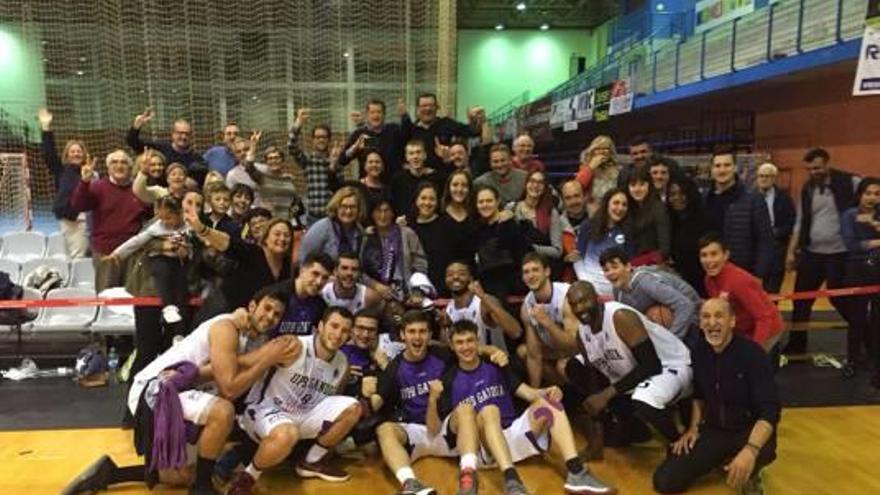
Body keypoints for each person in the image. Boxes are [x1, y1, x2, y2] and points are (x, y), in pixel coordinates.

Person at [63, 288, 296, 495]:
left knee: (182, 476)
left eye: (276, 314)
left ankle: (110, 474)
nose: (270, 317)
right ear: (252, 306)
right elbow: (230, 388)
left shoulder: (254, 340)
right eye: (267, 308)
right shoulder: (227, 327)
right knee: (222, 412)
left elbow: (212, 374)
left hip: (182, 388)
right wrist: (265, 360)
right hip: (156, 388)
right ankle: (202, 489)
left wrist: (262, 358)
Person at [439, 319, 615, 495]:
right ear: (452, 346)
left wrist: (548, 391)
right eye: (459, 343)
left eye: (470, 340)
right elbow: (456, 429)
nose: (465, 347)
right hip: (485, 448)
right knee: (488, 410)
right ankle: (511, 480)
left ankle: (576, 472)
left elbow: (528, 393)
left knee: (550, 403)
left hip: (513, 436)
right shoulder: (448, 380)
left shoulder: (497, 366)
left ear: (478, 341)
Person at [226, 308, 362, 494]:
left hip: (303, 416)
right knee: (287, 434)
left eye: (345, 330)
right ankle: (246, 479)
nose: (338, 334)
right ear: (320, 327)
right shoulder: (292, 345)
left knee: (353, 408)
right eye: (334, 326)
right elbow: (247, 361)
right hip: (265, 411)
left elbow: (331, 401)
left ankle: (312, 461)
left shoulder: (343, 363)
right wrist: (208, 368)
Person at [653, 299, 780, 495]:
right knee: (665, 481)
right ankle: (723, 460)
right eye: (706, 316)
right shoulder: (699, 352)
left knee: (763, 451)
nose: (712, 322)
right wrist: (693, 429)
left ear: (732, 321)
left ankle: (750, 471)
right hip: (715, 431)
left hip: (749, 430)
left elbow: (770, 409)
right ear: (701, 323)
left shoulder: (753, 354)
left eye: (719, 316)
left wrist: (751, 450)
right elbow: (699, 395)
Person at [367, 310, 485, 495]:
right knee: (384, 429)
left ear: (430, 335)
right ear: (402, 335)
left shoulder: (443, 355)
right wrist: (362, 390)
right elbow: (377, 400)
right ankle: (410, 484)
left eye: (422, 331)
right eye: (412, 331)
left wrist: (491, 350)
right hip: (416, 433)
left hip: (446, 429)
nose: (417, 336)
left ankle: (468, 475)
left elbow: (467, 349)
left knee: (466, 409)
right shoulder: (394, 369)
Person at [564, 281, 692, 446]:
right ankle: (629, 424)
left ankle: (677, 441)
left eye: (584, 301)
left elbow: (651, 365)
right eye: (574, 304)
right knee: (574, 366)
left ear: (597, 298)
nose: (579, 308)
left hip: (669, 365)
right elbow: (593, 380)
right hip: (631, 372)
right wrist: (597, 416)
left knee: (643, 399)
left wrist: (606, 395)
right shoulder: (582, 334)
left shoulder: (620, 316)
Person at [783, 148, 861, 354]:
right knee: (800, 300)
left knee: (840, 299)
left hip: (840, 254)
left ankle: (865, 338)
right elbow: (799, 223)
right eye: (809, 169)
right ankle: (796, 345)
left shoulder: (850, 182)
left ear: (827, 163)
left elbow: (872, 192)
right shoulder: (807, 189)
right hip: (812, 254)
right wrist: (791, 252)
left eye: (817, 167)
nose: (813, 172)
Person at [105, 196, 194, 336]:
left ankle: (179, 333)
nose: (165, 222)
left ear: (180, 213)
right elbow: (137, 241)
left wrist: (188, 251)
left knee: (181, 285)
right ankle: (168, 307)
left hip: (179, 262)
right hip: (159, 261)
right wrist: (117, 254)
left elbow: (196, 244)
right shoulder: (156, 227)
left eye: (169, 218)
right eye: (162, 218)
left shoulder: (189, 225)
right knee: (162, 273)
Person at [69, 150, 151, 292]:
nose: (119, 166)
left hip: (132, 254)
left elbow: (151, 215)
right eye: (114, 162)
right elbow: (78, 205)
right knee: (107, 297)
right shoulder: (97, 187)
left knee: (132, 297)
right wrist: (84, 182)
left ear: (130, 167)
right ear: (108, 167)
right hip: (105, 253)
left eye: (123, 162)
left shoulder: (138, 190)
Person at [186, 214, 294, 321]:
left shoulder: (287, 266)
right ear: (266, 238)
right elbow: (227, 243)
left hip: (251, 321)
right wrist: (202, 229)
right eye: (277, 234)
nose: (282, 238)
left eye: (287, 235)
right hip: (222, 310)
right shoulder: (253, 252)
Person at [699, 235, 783, 350]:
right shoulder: (708, 280)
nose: (709, 260)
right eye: (704, 255)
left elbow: (765, 318)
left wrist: (754, 351)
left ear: (726, 255)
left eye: (714, 254)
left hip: (766, 328)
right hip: (742, 330)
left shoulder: (738, 281)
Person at [599, 247, 701, 341]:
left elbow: (685, 305)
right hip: (664, 329)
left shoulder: (646, 282)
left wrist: (671, 341)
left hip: (694, 318)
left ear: (628, 266)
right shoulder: (617, 291)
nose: (610, 273)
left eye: (614, 267)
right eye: (606, 270)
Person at [702, 149, 774, 279]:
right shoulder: (705, 198)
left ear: (735, 168)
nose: (722, 170)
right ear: (711, 169)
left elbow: (765, 240)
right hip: (711, 271)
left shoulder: (753, 198)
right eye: (717, 166)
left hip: (743, 272)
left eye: (727, 165)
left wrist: (759, 274)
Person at [839, 177, 880, 380]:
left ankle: (875, 361)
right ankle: (852, 360)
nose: (872, 198)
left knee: (878, 320)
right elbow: (851, 245)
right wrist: (876, 241)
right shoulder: (849, 215)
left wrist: (874, 224)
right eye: (868, 193)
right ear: (860, 194)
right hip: (856, 270)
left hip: (878, 269)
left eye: (877, 194)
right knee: (856, 319)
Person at [38, 107, 91, 257]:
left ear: (84, 154)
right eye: (72, 151)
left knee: (83, 255)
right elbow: (49, 153)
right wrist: (46, 127)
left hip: (86, 219)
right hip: (68, 218)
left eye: (79, 151)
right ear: (67, 155)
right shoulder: (61, 169)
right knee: (74, 254)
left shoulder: (90, 172)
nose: (76, 153)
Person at [520, 252, 575, 388]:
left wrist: (547, 322)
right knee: (523, 352)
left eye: (535, 270)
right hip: (557, 350)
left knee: (563, 365)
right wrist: (535, 394)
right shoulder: (526, 306)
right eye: (526, 272)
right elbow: (534, 356)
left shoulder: (567, 296)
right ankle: (562, 389)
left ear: (547, 271)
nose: (531, 276)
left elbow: (574, 344)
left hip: (582, 350)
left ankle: (584, 396)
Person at [444, 260, 523, 352]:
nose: (455, 277)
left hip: (494, 362)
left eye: (461, 273)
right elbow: (448, 349)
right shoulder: (448, 311)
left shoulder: (484, 303)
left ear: (471, 278)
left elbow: (516, 332)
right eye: (450, 274)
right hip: (466, 364)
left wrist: (482, 296)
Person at [360, 199, 430, 301]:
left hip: (407, 294)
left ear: (393, 213)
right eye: (378, 211)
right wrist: (376, 286)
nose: (383, 215)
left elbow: (420, 265)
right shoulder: (366, 237)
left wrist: (417, 292)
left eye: (386, 211)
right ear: (372, 214)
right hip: (374, 295)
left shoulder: (407, 234)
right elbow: (359, 270)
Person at [399, 93, 490, 170]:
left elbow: (473, 132)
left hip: (446, 176)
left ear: (437, 107)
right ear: (418, 109)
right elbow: (402, 155)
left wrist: (478, 119)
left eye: (431, 105)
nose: (428, 109)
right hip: (420, 179)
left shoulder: (447, 123)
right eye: (424, 106)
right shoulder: (411, 130)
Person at [473, 185, 532, 302]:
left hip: (511, 280)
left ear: (498, 201)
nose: (485, 205)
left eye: (489, 201)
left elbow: (520, 254)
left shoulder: (509, 223)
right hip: (490, 281)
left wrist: (504, 223)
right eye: (481, 202)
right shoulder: (478, 229)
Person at [408, 182, 468, 297]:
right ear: (416, 200)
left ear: (437, 202)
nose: (427, 203)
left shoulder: (448, 224)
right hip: (416, 288)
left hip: (446, 288)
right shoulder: (408, 227)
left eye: (432, 199)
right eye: (423, 198)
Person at [288, 107, 344, 223]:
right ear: (313, 140)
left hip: (333, 217)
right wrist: (298, 122)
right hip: (313, 217)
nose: (321, 140)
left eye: (324, 137)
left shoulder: (337, 160)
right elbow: (291, 147)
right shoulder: (308, 160)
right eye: (318, 137)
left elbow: (339, 188)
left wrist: (333, 164)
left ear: (329, 140)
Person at [127, 108, 206, 186]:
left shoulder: (197, 159)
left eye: (187, 134)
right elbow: (133, 143)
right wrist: (136, 127)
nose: (183, 137)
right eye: (180, 133)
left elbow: (199, 183)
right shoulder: (160, 148)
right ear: (172, 134)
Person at [573, 188, 629, 297]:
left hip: (617, 292)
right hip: (590, 289)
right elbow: (577, 258)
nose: (620, 208)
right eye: (616, 203)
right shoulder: (588, 226)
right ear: (607, 204)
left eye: (624, 205)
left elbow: (627, 263)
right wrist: (589, 285)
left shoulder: (628, 231)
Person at [510, 170, 569, 268]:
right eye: (532, 181)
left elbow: (558, 251)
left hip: (541, 265)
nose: (535, 185)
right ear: (526, 184)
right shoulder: (511, 208)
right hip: (515, 265)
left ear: (545, 187)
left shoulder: (551, 213)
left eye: (540, 183)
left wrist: (532, 248)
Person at [754, 162, 796, 294]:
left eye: (767, 176)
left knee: (772, 290)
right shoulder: (749, 196)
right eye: (761, 176)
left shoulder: (784, 197)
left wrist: (776, 232)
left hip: (777, 247)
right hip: (755, 248)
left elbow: (791, 222)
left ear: (774, 178)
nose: (764, 179)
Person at [270, 251, 335, 336]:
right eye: (315, 274)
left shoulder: (319, 305)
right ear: (302, 270)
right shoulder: (274, 294)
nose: (319, 282)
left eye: (325, 278)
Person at [340, 98, 405, 182]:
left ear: (384, 114)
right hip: (368, 187)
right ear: (367, 115)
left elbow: (407, 140)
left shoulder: (394, 130)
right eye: (372, 112)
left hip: (392, 185)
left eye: (379, 112)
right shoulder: (359, 134)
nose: (376, 115)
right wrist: (354, 148)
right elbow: (342, 160)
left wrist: (404, 116)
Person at [667, 175, 709, 296]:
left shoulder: (703, 220)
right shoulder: (670, 221)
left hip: (702, 283)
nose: (677, 198)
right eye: (672, 194)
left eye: (682, 193)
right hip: (680, 284)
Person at [298, 186, 365, 261]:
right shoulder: (321, 228)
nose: (348, 211)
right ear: (336, 207)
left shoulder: (359, 232)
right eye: (344, 206)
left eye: (352, 207)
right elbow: (305, 259)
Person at [625, 165, 670, 264]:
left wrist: (634, 263)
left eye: (642, 184)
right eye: (633, 185)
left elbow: (664, 249)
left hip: (651, 266)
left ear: (649, 185)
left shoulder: (659, 208)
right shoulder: (626, 208)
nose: (637, 189)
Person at [390, 140, 445, 216]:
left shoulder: (436, 178)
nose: (415, 156)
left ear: (425, 155)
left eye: (418, 152)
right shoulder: (398, 179)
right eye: (411, 153)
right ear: (406, 157)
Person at [574, 135, 618, 213]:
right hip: (594, 210)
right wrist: (591, 167)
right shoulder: (586, 168)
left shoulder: (617, 168)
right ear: (592, 151)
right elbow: (577, 187)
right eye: (598, 149)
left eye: (605, 148)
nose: (602, 151)